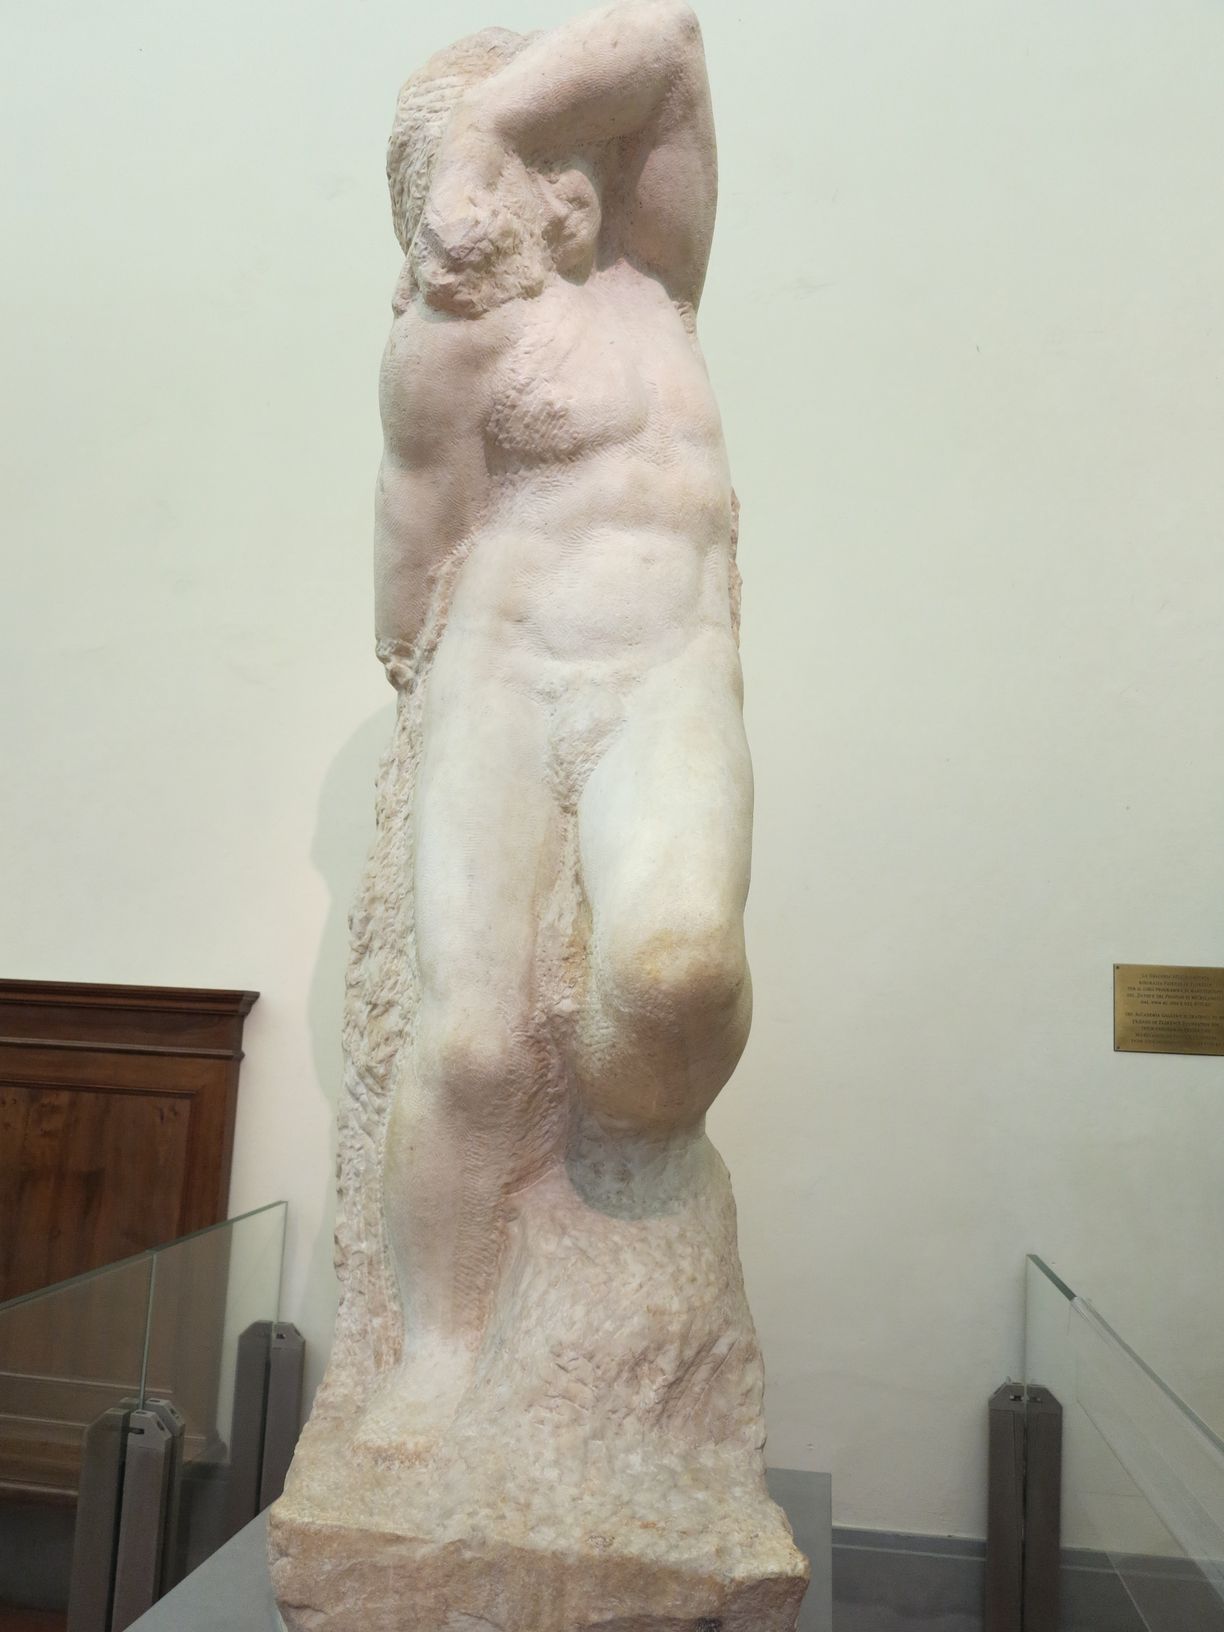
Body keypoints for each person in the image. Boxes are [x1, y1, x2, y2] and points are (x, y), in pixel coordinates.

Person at [360, 0, 754, 1453]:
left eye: (552, 155)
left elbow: (670, 39)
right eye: (515, 175)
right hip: (505, 678)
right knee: (471, 1044)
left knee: (677, 972)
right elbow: (412, 562)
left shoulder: (658, 281)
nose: (562, 192)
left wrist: (490, 117)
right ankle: (441, 1350)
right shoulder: (447, 349)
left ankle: (620, 1145)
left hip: (668, 675)